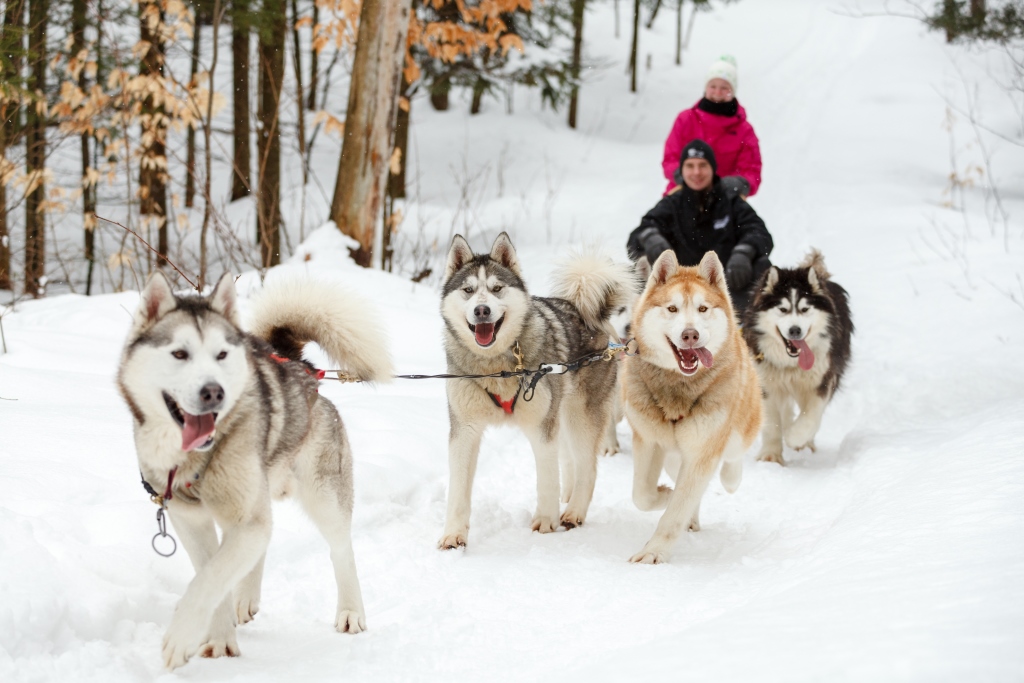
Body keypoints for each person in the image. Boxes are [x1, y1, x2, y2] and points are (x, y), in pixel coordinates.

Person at [628, 139, 773, 315]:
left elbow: (759, 233)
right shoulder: (672, 203)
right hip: (678, 289)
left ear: (712, 168)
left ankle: (749, 323)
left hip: (728, 283)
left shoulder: (730, 201)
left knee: (761, 263)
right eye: (690, 165)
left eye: (702, 165)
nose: (696, 172)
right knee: (641, 264)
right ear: (682, 170)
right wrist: (651, 238)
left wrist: (744, 252)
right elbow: (639, 234)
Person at [661, 55, 762, 199]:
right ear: (705, 88)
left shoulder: (744, 131)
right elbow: (670, 158)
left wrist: (737, 184)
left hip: (725, 200)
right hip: (682, 196)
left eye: (724, 88)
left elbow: (752, 171)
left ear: (733, 91)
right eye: (713, 86)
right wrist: (686, 178)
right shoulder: (686, 120)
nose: (718, 92)